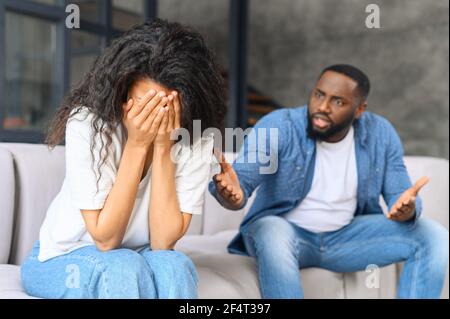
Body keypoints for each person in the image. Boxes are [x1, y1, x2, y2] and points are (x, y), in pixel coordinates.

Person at [21, 19, 226, 299]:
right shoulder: (89, 124)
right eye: (143, 105)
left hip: (139, 254)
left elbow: (163, 242)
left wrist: (164, 146)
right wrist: (138, 145)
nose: (153, 116)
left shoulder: (197, 137)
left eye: (165, 107)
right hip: (64, 256)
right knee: (122, 266)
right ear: (122, 93)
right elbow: (105, 239)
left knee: (174, 265)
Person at [210, 64, 449, 299]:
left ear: (359, 110)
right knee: (271, 229)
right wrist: (233, 192)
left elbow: (400, 193)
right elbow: (242, 179)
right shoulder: (281, 125)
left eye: (338, 101)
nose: (322, 107)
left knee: (434, 235)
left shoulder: (380, 134)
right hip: (287, 235)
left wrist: (405, 209)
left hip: (345, 238)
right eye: (319, 95)